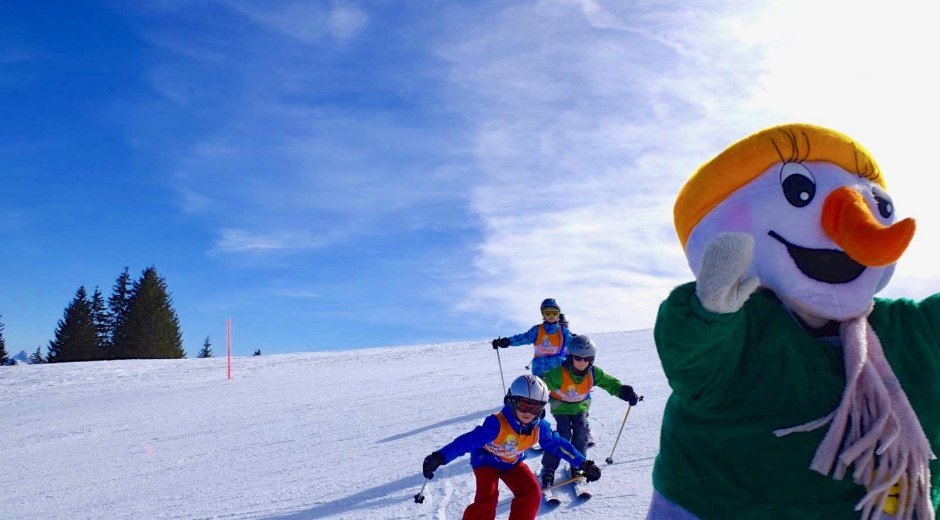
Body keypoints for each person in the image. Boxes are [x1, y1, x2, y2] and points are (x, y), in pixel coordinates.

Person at [651, 123, 940, 519]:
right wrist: (708, 313)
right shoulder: (746, 329)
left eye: (877, 203)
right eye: (800, 192)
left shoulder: (906, 328)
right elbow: (695, 364)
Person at [421, 374, 602, 520]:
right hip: (486, 461)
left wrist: (584, 463)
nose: (528, 413)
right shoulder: (497, 424)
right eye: (524, 405)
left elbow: (559, 446)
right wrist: (439, 457)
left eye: (535, 409)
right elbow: (467, 442)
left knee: (532, 492)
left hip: (511, 463)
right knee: (488, 498)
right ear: (511, 401)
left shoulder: (540, 428)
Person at [538, 335, 639, 489]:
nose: (582, 362)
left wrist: (622, 391)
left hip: (580, 406)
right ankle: (549, 468)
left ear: (592, 359)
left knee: (582, 431)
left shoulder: (593, 373)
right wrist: (536, 404)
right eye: (578, 358)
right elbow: (540, 386)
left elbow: (609, 382)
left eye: (587, 359)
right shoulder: (559, 373)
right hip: (560, 406)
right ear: (571, 356)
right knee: (563, 434)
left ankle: (578, 465)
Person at [491, 298, 571, 378]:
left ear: (558, 314)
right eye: (547, 313)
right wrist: (506, 341)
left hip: (557, 368)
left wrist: (580, 344)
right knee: (539, 389)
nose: (551, 316)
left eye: (554, 313)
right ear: (543, 314)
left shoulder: (563, 332)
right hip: (540, 368)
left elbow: (573, 345)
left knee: (558, 388)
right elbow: (523, 338)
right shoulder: (537, 330)